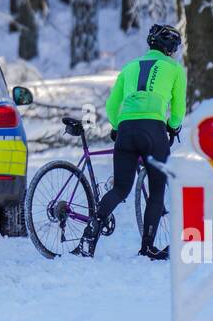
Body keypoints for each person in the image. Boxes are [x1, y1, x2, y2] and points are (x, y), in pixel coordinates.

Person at [73, 23, 186, 259]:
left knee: (120, 188)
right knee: (156, 189)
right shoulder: (174, 69)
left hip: (126, 128)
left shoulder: (129, 67)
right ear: (170, 49)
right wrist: (173, 127)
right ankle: (148, 247)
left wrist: (116, 127)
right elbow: (178, 109)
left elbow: (112, 105)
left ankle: (89, 235)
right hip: (153, 130)